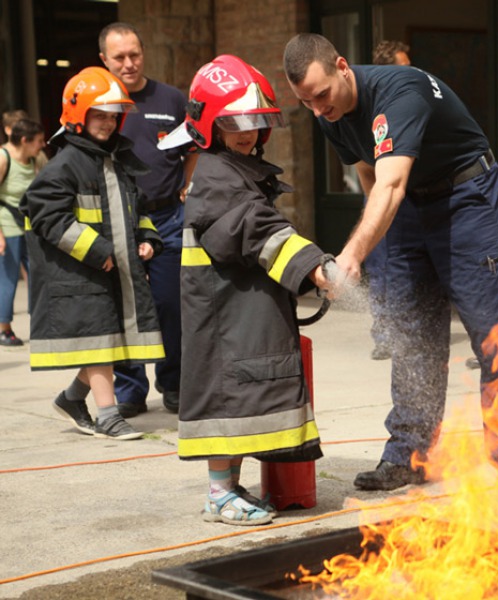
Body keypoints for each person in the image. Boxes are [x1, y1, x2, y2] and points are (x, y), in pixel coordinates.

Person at [283, 33, 498, 491]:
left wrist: (354, 253)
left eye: (321, 95)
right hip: (411, 206)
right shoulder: (328, 112)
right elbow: (371, 173)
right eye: (305, 102)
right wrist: (381, 238)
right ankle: (408, 457)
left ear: (341, 66)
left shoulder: (400, 91)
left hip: (465, 198)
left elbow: (389, 185)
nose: (317, 108)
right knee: (412, 336)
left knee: (496, 335)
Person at [158, 54, 331, 525]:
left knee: (238, 399)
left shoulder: (231, 168)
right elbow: (253, 228)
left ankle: (229, 489)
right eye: (236, 123)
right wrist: (315, 267)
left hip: (233, 307)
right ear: (209, 125)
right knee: (226, 397)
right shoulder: (216, 175)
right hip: (222, 315)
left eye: (256, 122)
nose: (249, 132)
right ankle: (218, 495)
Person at [20, 66, 165, 440]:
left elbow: (140, 210)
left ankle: (72, 399)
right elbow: (44, 213)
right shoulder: (67, 163)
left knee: (111, 339)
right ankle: (108, 415)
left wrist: (148, 240)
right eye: (98, 114)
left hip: (112, 269)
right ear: (78, 115)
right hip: (83, 272)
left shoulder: (118, 160)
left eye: (112, 115)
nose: (107, 123)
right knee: (101, 340)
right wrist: (99, 250)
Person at [99, 22, 196, 417]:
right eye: (119, 57)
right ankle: (130, 390)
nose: (128, 63)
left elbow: (194, 148)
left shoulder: (171, 99)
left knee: (171, 305)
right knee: (125, 306)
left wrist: (188, 185)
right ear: (104, 60)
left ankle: (173, 384)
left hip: (169, 218)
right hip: (121, 222)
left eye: (134, 54)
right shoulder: (101, 105)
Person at [364, 40, 411, 361]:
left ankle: (403, 332)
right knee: (382, 268)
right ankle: (385, 335)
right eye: (405, 69)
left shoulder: (406, 104)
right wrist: (377, 207)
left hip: (404, 196)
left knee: (402, 270)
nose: (411, 74)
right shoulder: (373, 110)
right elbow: (364, 167)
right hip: (383, 200)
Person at [0, 118, 45, 346]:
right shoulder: (3, 158)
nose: (43, 145)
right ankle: (3, 328)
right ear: (25, 140)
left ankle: (39, 323)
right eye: (38, 141)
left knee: (38, 276)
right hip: (7, 224)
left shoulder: (35, 159)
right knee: (8, 278)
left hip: (30, 224)